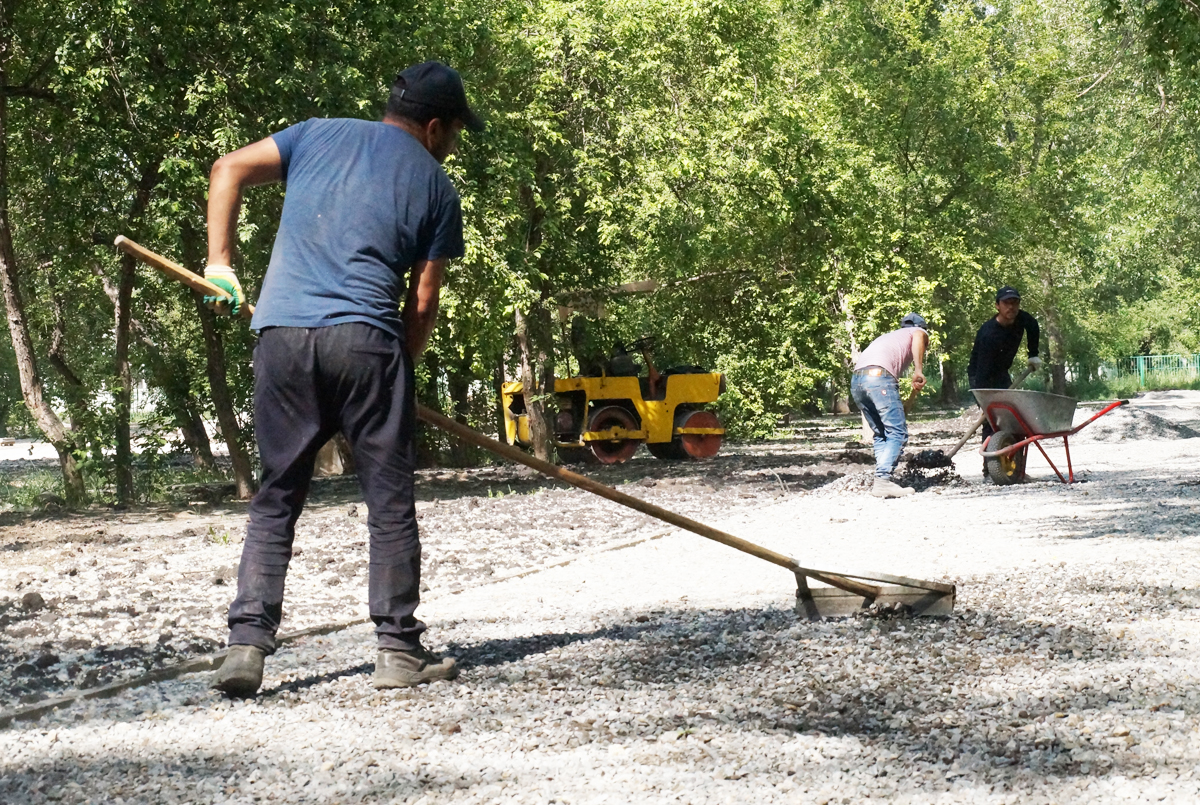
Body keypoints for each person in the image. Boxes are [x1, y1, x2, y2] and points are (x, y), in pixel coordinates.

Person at [203, 62, 483, 696]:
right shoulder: (435, 186)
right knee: (388, 502)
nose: (453, 144)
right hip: (366, 340)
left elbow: (227, 169)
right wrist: (397, 375)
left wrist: (221, 264)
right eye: (455, 132)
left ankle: (246, 647)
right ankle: (396, 653)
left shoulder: (315, 134)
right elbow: (422, 302)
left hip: (281, 337)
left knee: (276, 497)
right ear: (434, 127)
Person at [851, 313, 929, 498]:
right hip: (879, 377)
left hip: (857, 380)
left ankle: (882, 478)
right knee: (897, 433)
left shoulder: (890, 338)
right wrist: (918, 370)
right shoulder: (917, 331)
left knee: (881, 433)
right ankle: (883, 480)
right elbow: (919, 336)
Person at [967, 286, 1042, 444]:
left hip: (1001, 372)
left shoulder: (1022, 318)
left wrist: (1033, 354)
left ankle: (1014, 466)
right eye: (1006, 303)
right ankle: (989, 467)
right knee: (993, 420)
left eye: (1015, 302)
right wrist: (986, 401)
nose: (1011, 307)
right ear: (997, 305)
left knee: (1013, 419)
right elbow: (982, 371)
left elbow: (1033, 326)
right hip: (981, 376)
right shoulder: (989, 334)